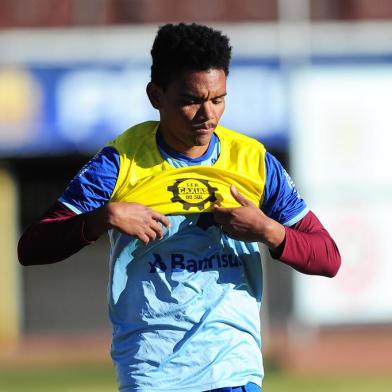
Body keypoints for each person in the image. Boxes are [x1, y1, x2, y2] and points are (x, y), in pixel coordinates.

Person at [18, 23, 341, 392]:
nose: (208, 114)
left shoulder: (253, 162)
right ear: (156, 95)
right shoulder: (120, 163)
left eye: (218, 99)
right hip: (153, 373)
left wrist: (267, 229)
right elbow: (31, 247)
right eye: (191, 100)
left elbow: (328, 257)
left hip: (233, 370)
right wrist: (102, 218)